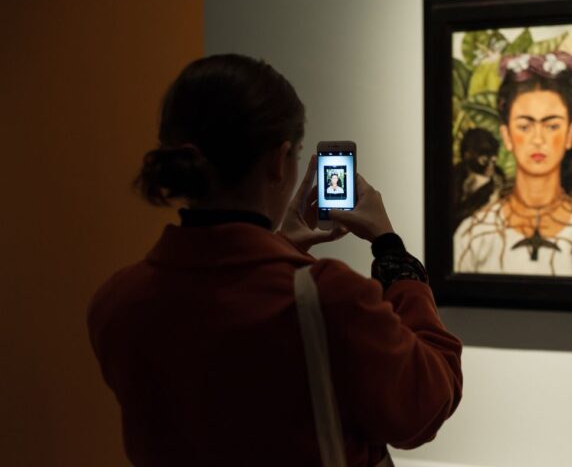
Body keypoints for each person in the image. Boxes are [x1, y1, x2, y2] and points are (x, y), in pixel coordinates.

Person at [87, 54, 462, 466]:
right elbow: (426, 404)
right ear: (280, 161)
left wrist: (278, 245)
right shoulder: (330, 299)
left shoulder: (117, 302)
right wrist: (391, 251)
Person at [454, 52, 572, 278]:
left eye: (552, 126)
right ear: (507, 135)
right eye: (525, 126)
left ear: (571, 134)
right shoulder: (472, 237)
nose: (538, 139)